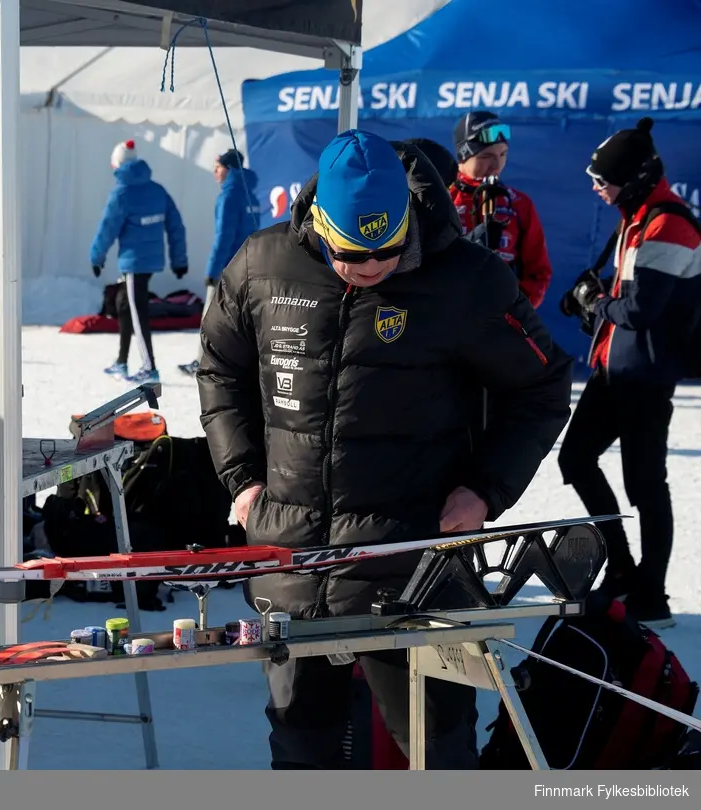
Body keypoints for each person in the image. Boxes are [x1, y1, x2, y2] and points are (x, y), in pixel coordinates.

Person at [196, 129, 572, 769]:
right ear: (318, 223)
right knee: (302, 751)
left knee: (435, 750)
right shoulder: (263, 264)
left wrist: (484, 489)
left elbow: (541, 385)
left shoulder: (466, 279)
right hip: (294, 560)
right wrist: (242, 477)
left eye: (388, 251)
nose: (372, 268)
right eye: (352, 255)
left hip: (414, 564)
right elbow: (220, 369)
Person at [558, 117, 701, 630]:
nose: (597, 188)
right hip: (612, 371)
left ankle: (652, 594)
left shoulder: (671, 223)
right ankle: (621, 566)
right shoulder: (636, 214)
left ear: (636, 178)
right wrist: (591, 296)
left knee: (645, 486)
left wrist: (594, 303)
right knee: (575, 460)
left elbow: (640, 309)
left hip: (644, 377)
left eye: (604, 180)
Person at [91, 139, 188, 384]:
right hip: (151, 260)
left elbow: (107, 229)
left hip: (134, 264)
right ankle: (122, 362)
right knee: (124, 304)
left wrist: (97, 257)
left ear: (116, 166)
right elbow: (175, 226)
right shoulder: (157, 190)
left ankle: (149, 367)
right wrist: (179, 259)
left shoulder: (121, 193)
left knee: (137, 312)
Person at [448, 111, 554, 309]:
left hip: (498, 321)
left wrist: (515, 307)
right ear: (463, 156)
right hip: (446, 315)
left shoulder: (518, 204)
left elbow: (538, 272)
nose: (496, 165)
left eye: (503, 154)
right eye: (486, 156)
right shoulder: (444, 197)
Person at [179, 148, 260, 376]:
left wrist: (212, 271)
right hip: (248, 266)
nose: (215, 172)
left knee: (211, 317)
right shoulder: (251, 193)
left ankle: (202, 362)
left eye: (218, 167)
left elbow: (223, 236)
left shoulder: (229, 194)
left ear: (229, 169)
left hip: (227, 268)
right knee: (242, 320)